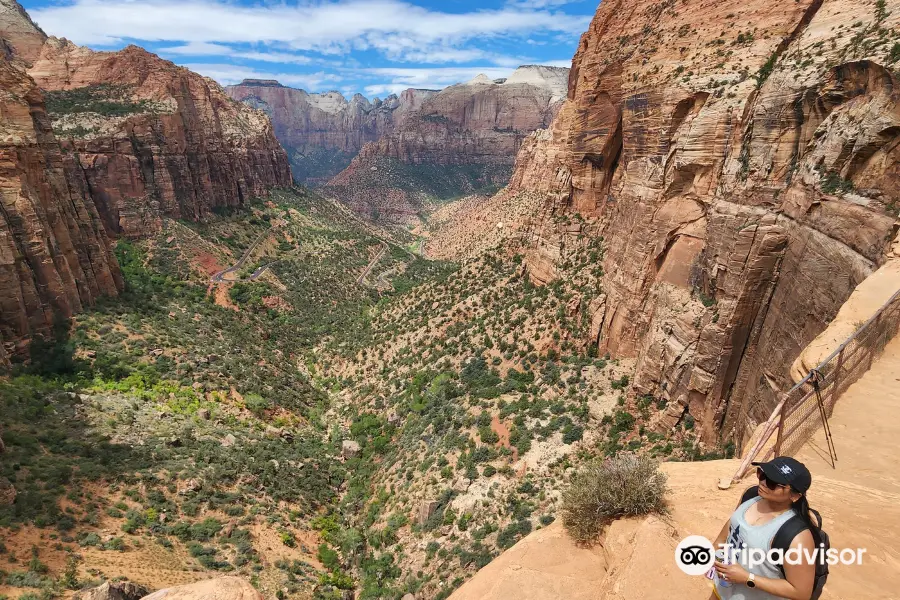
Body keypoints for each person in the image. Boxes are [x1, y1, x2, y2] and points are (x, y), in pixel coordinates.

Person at [708, 457, 818, 600]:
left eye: (772, 483)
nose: (763, 483)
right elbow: (732, 528)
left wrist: (747, 578)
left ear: (795, 495)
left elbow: (801, 592)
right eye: (762, 474)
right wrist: (714, 554)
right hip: (723, 591)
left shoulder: (796, 536)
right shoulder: (751, 496)